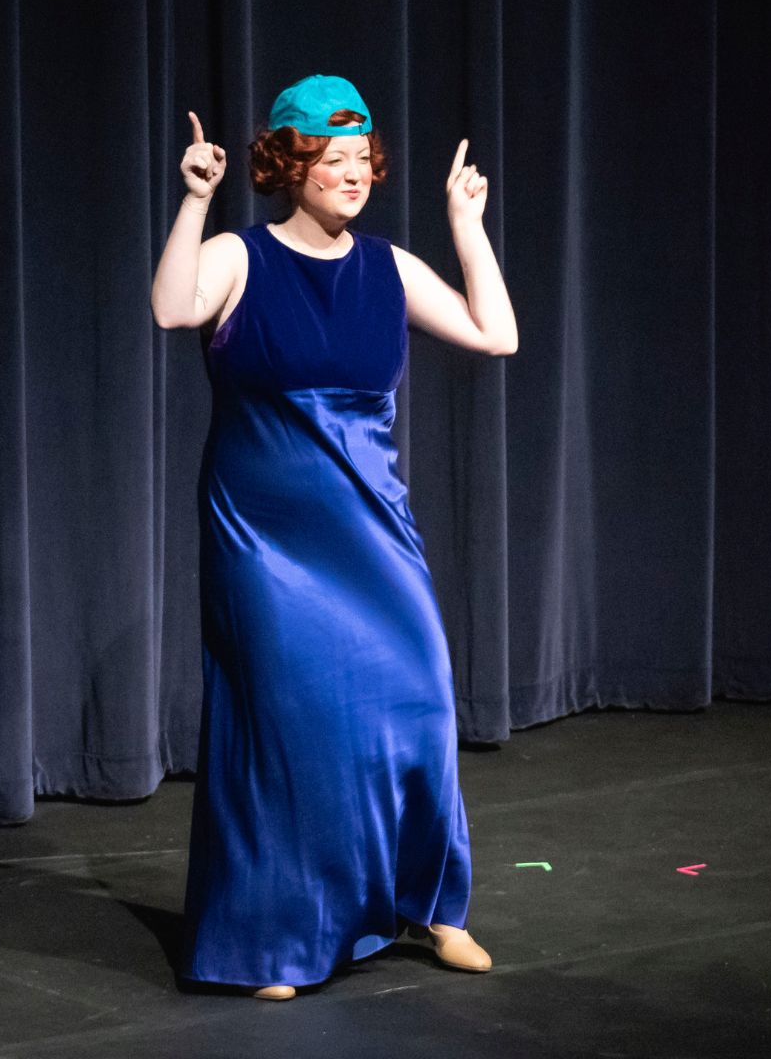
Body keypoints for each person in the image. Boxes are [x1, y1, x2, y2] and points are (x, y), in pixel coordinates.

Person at [149, 73, 518, 1001]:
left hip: (372, 528)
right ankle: (273, 938)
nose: (353, 174)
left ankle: (433, 905)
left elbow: (496, 334)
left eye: (363, 159)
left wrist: (466, 226)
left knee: (422, 701)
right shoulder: (239, 256)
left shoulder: (388, 268)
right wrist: (194, 201)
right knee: (288, 729)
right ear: (290, 165)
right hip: (263, 538)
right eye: (332, 158)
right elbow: (172, 309)